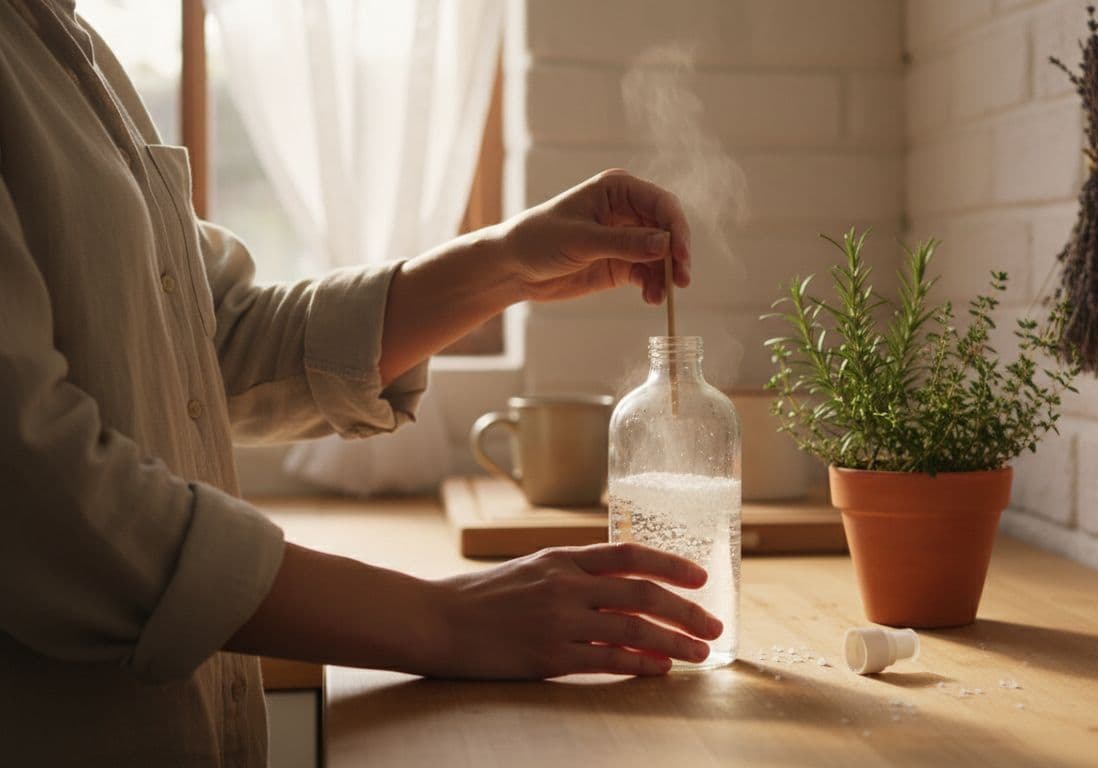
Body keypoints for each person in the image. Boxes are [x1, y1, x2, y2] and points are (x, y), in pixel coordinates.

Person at [0, 2, 722, 765]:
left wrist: (506, 262)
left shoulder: (65, 46)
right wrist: (447, 620)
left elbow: (213, 337)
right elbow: (39, 498)